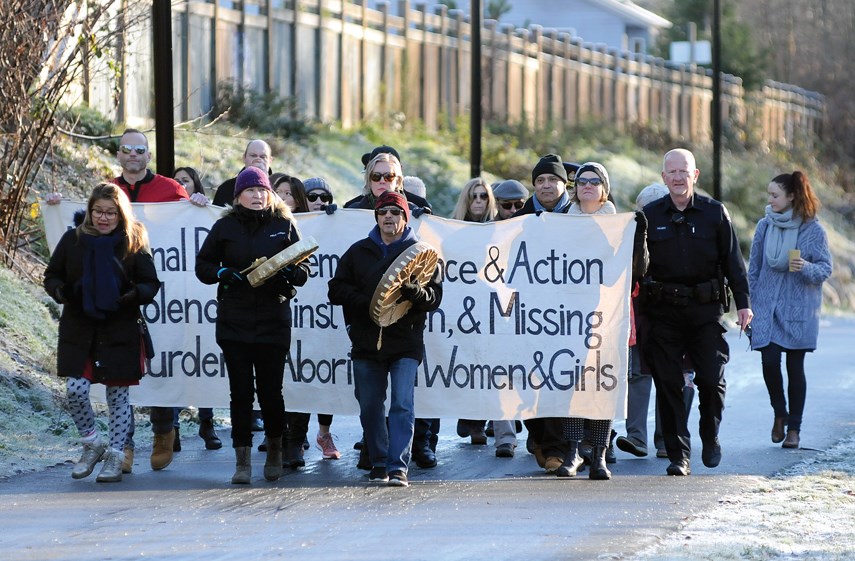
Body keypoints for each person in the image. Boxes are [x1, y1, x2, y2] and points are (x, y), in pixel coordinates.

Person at [642, 148, 753, 476]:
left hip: (705, 310)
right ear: (664, 178)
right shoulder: (649, 216)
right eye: (671, 172)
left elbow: (734, 261)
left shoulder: (714, 213)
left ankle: (710, 434)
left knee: (711, 378)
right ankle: (679, 455)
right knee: (669, 382)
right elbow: (635, 266)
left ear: (695, 175)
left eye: (683, 172)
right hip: (664, 311)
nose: (677, 178)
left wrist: (743, 303)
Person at [195, 167, 309, 484]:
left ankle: (275, 450)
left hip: (274, 320)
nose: (257, 196)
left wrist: (291, 274)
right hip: (234, 322)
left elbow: (304, 268)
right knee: (240, 393)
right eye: (250, 191)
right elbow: (202, 266)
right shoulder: (224, 227)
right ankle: (242, 460)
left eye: (262, 190)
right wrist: (220, 273)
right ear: (238, 196)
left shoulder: (284, 224)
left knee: (271, 392)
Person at [44, 183, 161, 482]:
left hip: (119, 329)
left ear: (120, 213)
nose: (103, 218)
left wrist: (133, 295)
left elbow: (151, 283)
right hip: (80, 328)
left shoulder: (132, 241)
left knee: (118, 398)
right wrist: (61, 291)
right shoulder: (73, 239)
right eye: (98, 211)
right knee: (75, 390)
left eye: (110, 212)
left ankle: (116, 455)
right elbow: (52, 275)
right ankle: (92, 444)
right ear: (90, 210)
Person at [328, 190, 443, 487]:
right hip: (366, 342)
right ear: (377, 217)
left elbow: (434, 299)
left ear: (405, 217)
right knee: (370, 405)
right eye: (383, 212)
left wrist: (415, 293)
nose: (389, 217)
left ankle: (398, 466)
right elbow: (335, 290)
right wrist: (366, 300)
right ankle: (379, 463)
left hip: (405, 342)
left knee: (402, 404)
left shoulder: (422, 253)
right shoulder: (358, 252)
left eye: (395, 212)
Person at [553, 162, 647, 480]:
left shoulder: (619, 225)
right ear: (575, 188)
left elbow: (636, 269)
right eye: (582, 181)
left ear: (605, 188)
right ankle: (572, 452)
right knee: (574, 383)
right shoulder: (562, 223)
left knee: (603, 382)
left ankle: (600, 455)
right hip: (568, 315)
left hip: (606, 316)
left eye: (595, 181)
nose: (588, 186)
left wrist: (639, 234)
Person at [748, 171, 832, 450]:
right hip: (767, 306)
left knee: (795, 367)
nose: (769, 200)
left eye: (775, 195)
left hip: (799, 310)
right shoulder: (764, 226)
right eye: (769, 194)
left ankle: (794, 428)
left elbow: (825, 268)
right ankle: (779, 413)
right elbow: (755, 267)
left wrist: (806, 267)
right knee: (769, 362)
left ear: (792, 196)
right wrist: (749, 303)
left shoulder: (813, 230)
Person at [515, 154, 574, 472]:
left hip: (570, 314)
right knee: (529, 380)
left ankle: (559, 447)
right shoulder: (518, 219)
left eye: (552, 179)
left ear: (564, 184)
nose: (546, 185)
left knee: (560, 378)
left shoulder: (580, 215)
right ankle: (539, 437)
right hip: (530, 313)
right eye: (540, 181)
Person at [171, 166, 222, 452]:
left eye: (186, 181)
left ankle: (207, 422)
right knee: (174, 362)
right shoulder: (161, 213)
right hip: (173, 303)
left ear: (195, 185)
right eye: (175, 181)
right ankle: (173, 427)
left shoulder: (204, 213)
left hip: (202, 300)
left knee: (205, 361)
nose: (181, 185)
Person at [212, 139, 273, 207]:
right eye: (253, 155)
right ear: (244, 158)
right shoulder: (227, 188)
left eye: (263, 157)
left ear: (270, 161)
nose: (258, 160)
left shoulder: (280, 188)